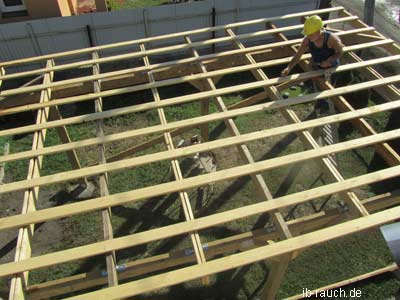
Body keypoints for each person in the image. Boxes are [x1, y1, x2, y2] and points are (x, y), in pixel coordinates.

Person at [281, 15, 344, 112]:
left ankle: (326, 105)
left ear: (319, 31)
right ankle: (319, 102)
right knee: (318, 85)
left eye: (311, 34)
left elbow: (340, 52)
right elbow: (298, 55)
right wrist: (289, 68)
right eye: (308, 34)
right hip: (316, 65)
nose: (309, 37)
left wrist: (329, 60)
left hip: (331, 67)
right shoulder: (307, 39)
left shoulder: (332, 39)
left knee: (327, 88)